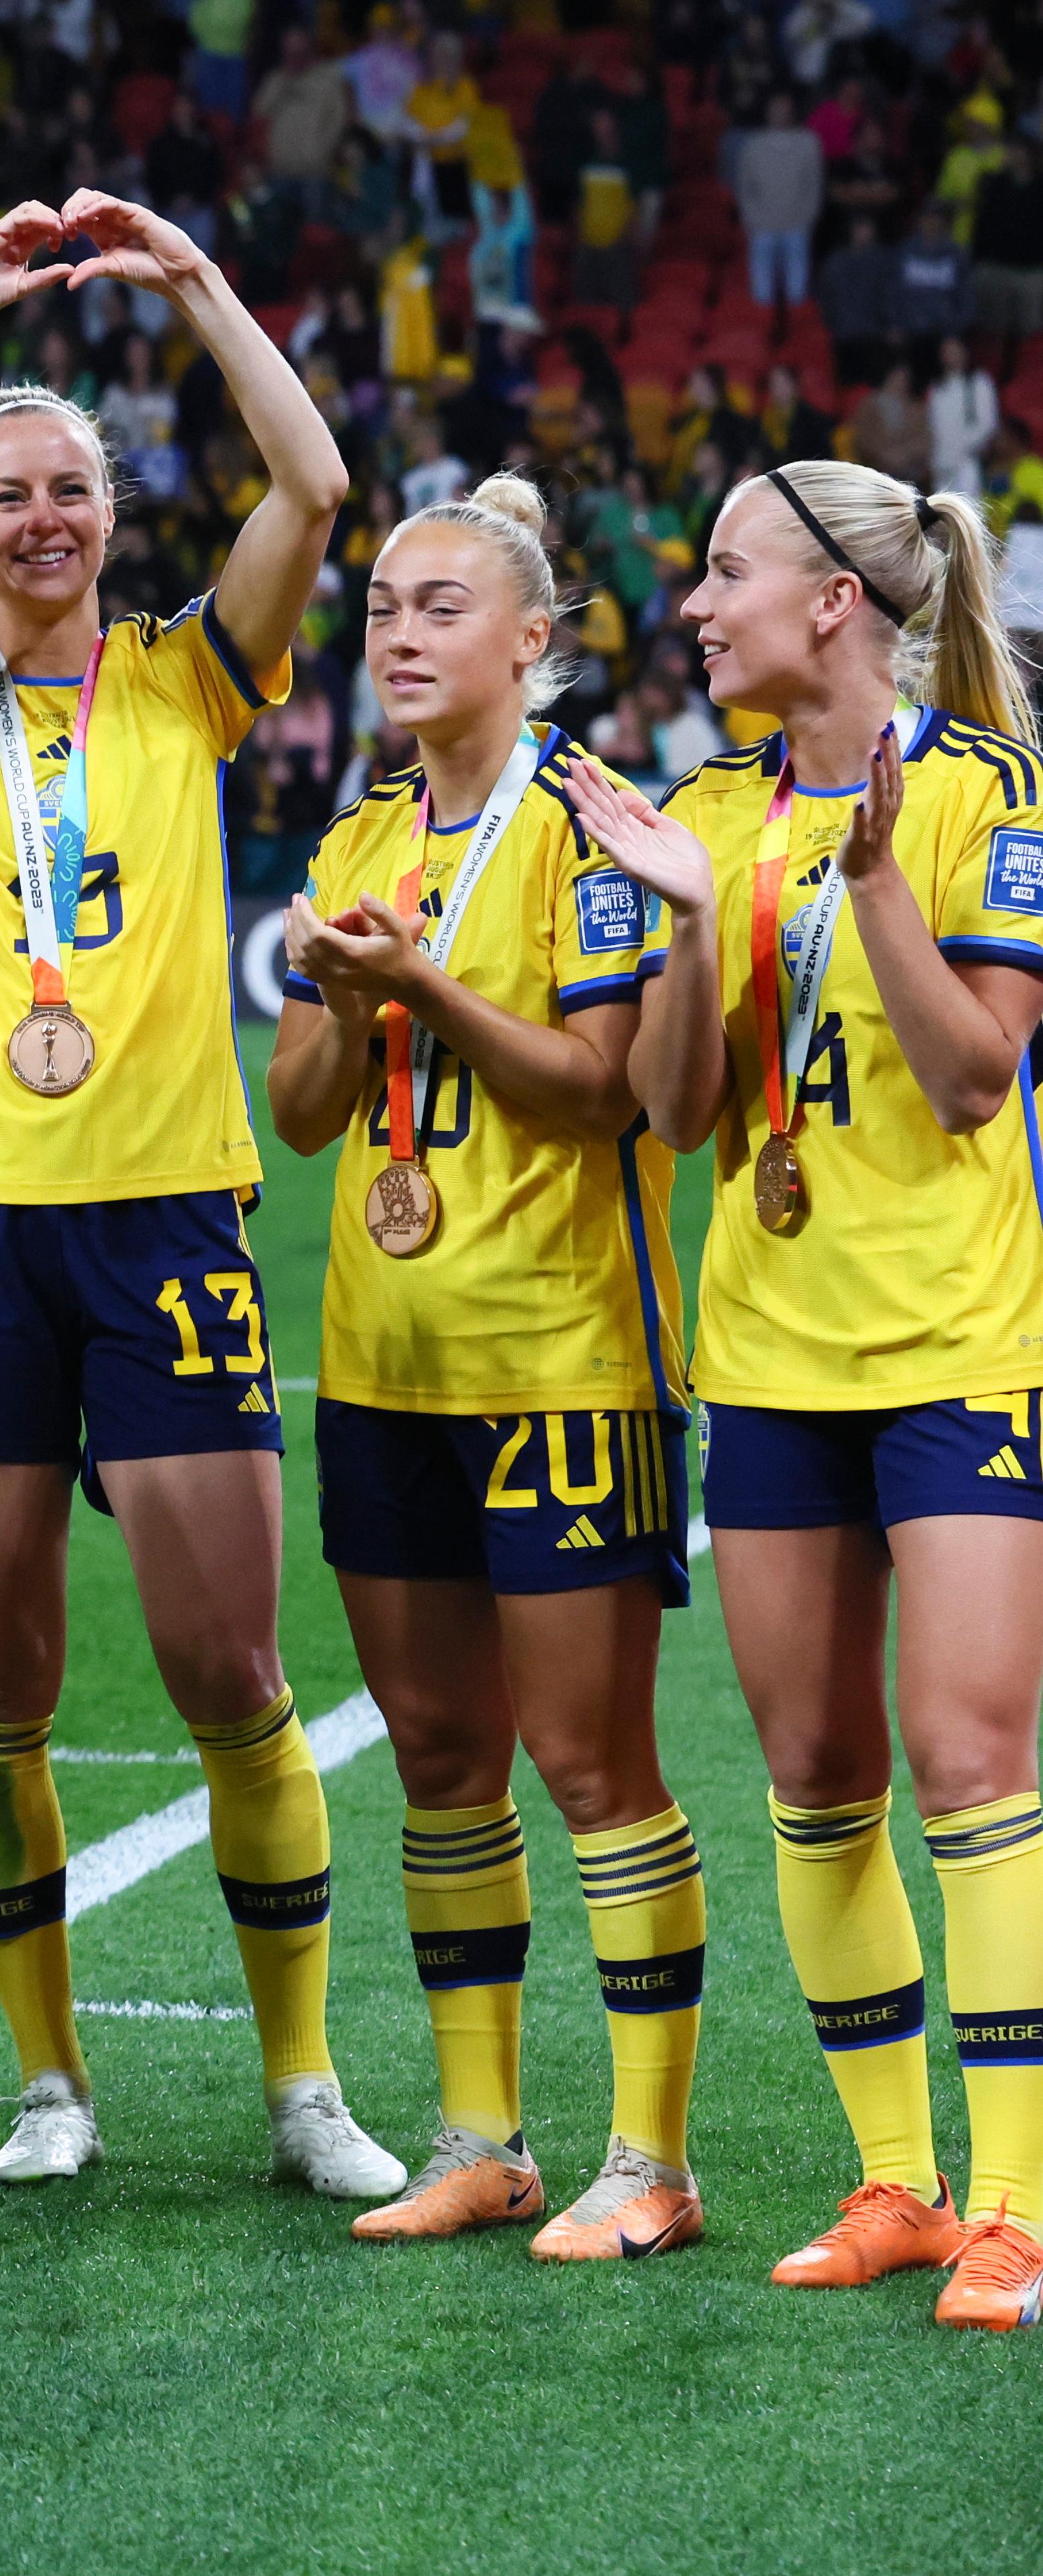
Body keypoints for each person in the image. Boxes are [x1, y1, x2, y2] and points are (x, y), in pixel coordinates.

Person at [0, 193, 405, 2200]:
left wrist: (199, 285)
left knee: (231, 1675)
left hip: (161, 1221)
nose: (38, 517)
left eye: (68, 489)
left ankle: (301, 2088)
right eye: (0, 494)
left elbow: (309, 478)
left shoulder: (185, 683)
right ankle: (49, 2083)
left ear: (111, 519)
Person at [563, 459, 1043, 2330]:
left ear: (832, 602)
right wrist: (691, 922)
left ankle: (1011, 2202)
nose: (691, 607)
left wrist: (868, 894)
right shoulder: (695, 811)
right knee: (815, 1773)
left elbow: (969, 1079)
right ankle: (897, 2184)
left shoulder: (987, 795)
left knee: (968, 1761)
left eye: (722, 575)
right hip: (762, 1354)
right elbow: (672, 1111)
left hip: (951, 1345)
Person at [267, 476, 704, 2258]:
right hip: (383, 1368)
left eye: (440, 607)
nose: (394, 633)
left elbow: (601, 1089)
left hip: (562, 1361)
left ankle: (647, 2164)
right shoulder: (355, 844)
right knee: (441, 1752)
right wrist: (349, 998)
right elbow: (300, 1116)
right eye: (378, 604)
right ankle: (481, 2136)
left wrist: (419, 991)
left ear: (532, 644)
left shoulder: (594, 830)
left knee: (592, 1762)